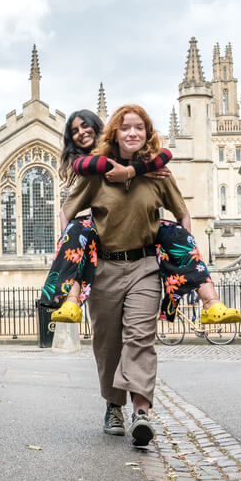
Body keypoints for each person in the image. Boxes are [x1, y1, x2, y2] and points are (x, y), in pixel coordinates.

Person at [61, 104, 237, 447]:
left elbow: (183, 214)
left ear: (147, 132)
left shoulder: (158, 173)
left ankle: (141, 412)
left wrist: (181, 247)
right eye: (125, 127)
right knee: (107, 343)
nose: (132, 133)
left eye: (138, 127)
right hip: (105, 268)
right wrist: (71, 253)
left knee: (140, 337)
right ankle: (114, 405)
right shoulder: (95, 174)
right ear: (114, 132)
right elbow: (67, 213)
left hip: (144, 266)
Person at [40, 110, 172, 323]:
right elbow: (98, 166)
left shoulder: (124, 148)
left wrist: (134, 169)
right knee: (75, 232)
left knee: (174, 232)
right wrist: (139, 170)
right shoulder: (81, 161)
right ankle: (68, 298)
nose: (81, 133)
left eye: (85, 126)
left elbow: (166, 154)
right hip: (98, 241)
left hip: (139, 251)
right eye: (74, 131)